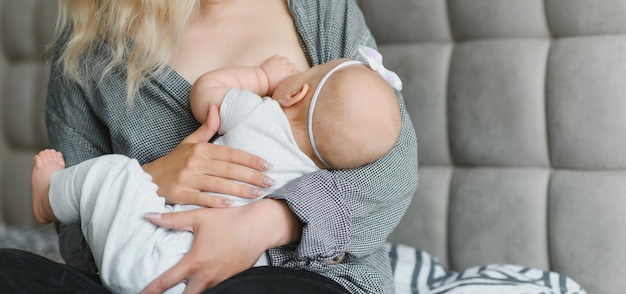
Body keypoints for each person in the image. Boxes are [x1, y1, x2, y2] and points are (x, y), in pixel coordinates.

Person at [0, 0, 418, 293]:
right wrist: (154, 180)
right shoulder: (89, 49)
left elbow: (393, 166)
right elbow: (75, 241)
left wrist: (263, 225)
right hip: (155, 274)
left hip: (305, 276)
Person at [31, 50, 403, 294]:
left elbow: (206, 92)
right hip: (218, 278)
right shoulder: (316, 179)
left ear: (294, 95)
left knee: (115, 172)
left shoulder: (263, 115)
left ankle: (50, 198)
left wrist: (261, 76)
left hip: (154, 259)